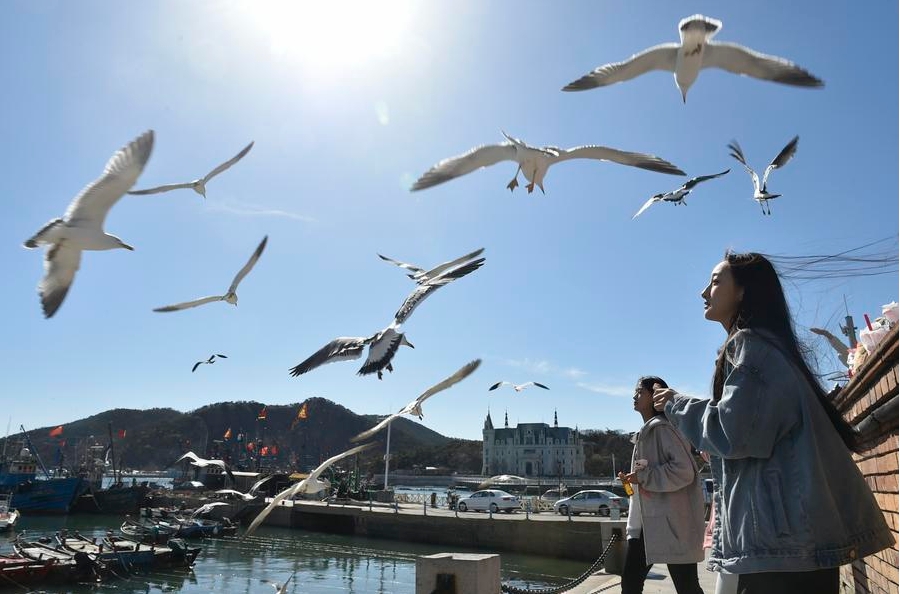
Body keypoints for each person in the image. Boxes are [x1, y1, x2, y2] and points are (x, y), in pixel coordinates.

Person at [652, 252, 893, 594]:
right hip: (792, 544)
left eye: (716, 281)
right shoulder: (772, 349)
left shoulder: (752, 347)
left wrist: (676, 404)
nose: (704, 292)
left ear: (743, 291)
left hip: (779, 548)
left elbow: (732, 433)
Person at [618, 376, 705, 594]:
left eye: (640, 391)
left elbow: (683, 471)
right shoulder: (649, 431)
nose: (634, 396)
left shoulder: (663, 429)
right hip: (651, 523)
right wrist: (634, 480)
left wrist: (644, 477)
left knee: (683, 585)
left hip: (665, 523)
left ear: (654, 396)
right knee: (632, 582)